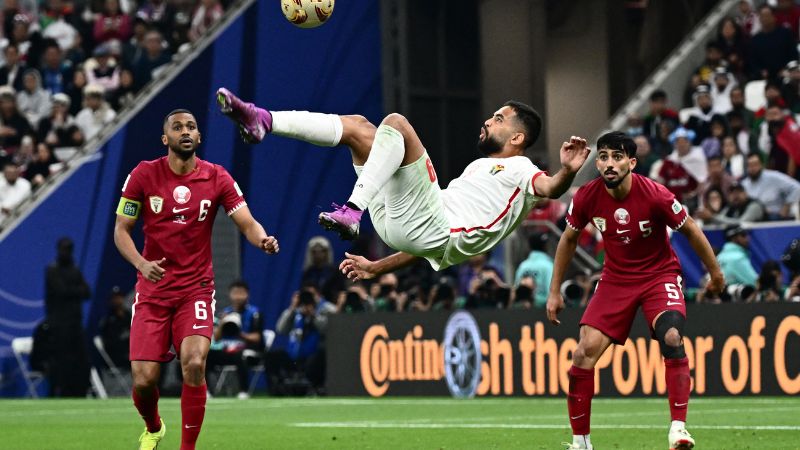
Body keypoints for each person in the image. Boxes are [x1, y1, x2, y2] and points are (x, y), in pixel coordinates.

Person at [215, 88, 590, 279]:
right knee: (362, 129)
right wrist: (376, 267)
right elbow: (422, 246)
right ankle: (265, 120)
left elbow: (551, 188)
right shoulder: (479, 168)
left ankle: (351, 210)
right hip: (407, 227)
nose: (489, 121)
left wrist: (569, 171)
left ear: (518, 138)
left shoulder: (522, 169)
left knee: (396, 123)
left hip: (433, 228)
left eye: (499, 118)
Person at [545, 131, 725, 450]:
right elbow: (568, 240)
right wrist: (554, 290)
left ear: (632, 162)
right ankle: (581, 443)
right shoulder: (586, 196)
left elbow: (692, 230)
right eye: (603, 157)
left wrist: (715, 273)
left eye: (617, 157)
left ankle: (679, 430)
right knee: (583, 352)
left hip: (659, 275)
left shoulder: (656, 194)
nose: (609, 164)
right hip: (615, 279)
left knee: (671, 337)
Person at [113, 109, 279, 450]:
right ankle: (154, 426)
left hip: (195, 290)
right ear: (166, 139)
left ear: (199, 137)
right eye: (177, 127)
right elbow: (121, 230)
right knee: (144, 382)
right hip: (153, 291)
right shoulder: (143, 175)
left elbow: (247, 222)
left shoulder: (217, 177)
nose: (185, 131)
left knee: (194, 362)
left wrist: (261, 238)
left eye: (191, 127)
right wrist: (142, 264)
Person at [45, 237, 92, 397]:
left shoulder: (75, 270)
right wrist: (76, 290)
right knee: (60, 361)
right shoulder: (52, 270)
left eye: (69, 249)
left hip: (75, 324)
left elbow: (87, 292)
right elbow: (61, 291)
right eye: (64, 249)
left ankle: (79, 391)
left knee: (80, 360)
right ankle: (58, 391)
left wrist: (73, 290)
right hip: (59, 325)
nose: (66, 252)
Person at [206, 280, 263, 399]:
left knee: (240, 356)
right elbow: (216, 338)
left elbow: (257, 337)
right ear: (230, 295)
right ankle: (206, 390)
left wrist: (240, 334)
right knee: (206, 355)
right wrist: (223, 323)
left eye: (241, 293)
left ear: (247, 294)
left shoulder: (254, 313)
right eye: (235, 293)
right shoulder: (225, 312)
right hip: (227, 350)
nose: (238, 297)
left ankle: (243, 390)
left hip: (246, 351)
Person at [514, 233, 553, 308]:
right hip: (543, 311)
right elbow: (551, 293)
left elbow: (516, 290)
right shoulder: (549, 266)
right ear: (545, 246)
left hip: (523, 311)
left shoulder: (523, 266)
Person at [98, 286, 132, 368]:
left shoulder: (131, 316)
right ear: (110, 301)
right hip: (117, 365)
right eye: (115, 298)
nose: (117, 300)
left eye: (119, 297)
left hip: (134, 362)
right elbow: (111, 344)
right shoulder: (108, 322)